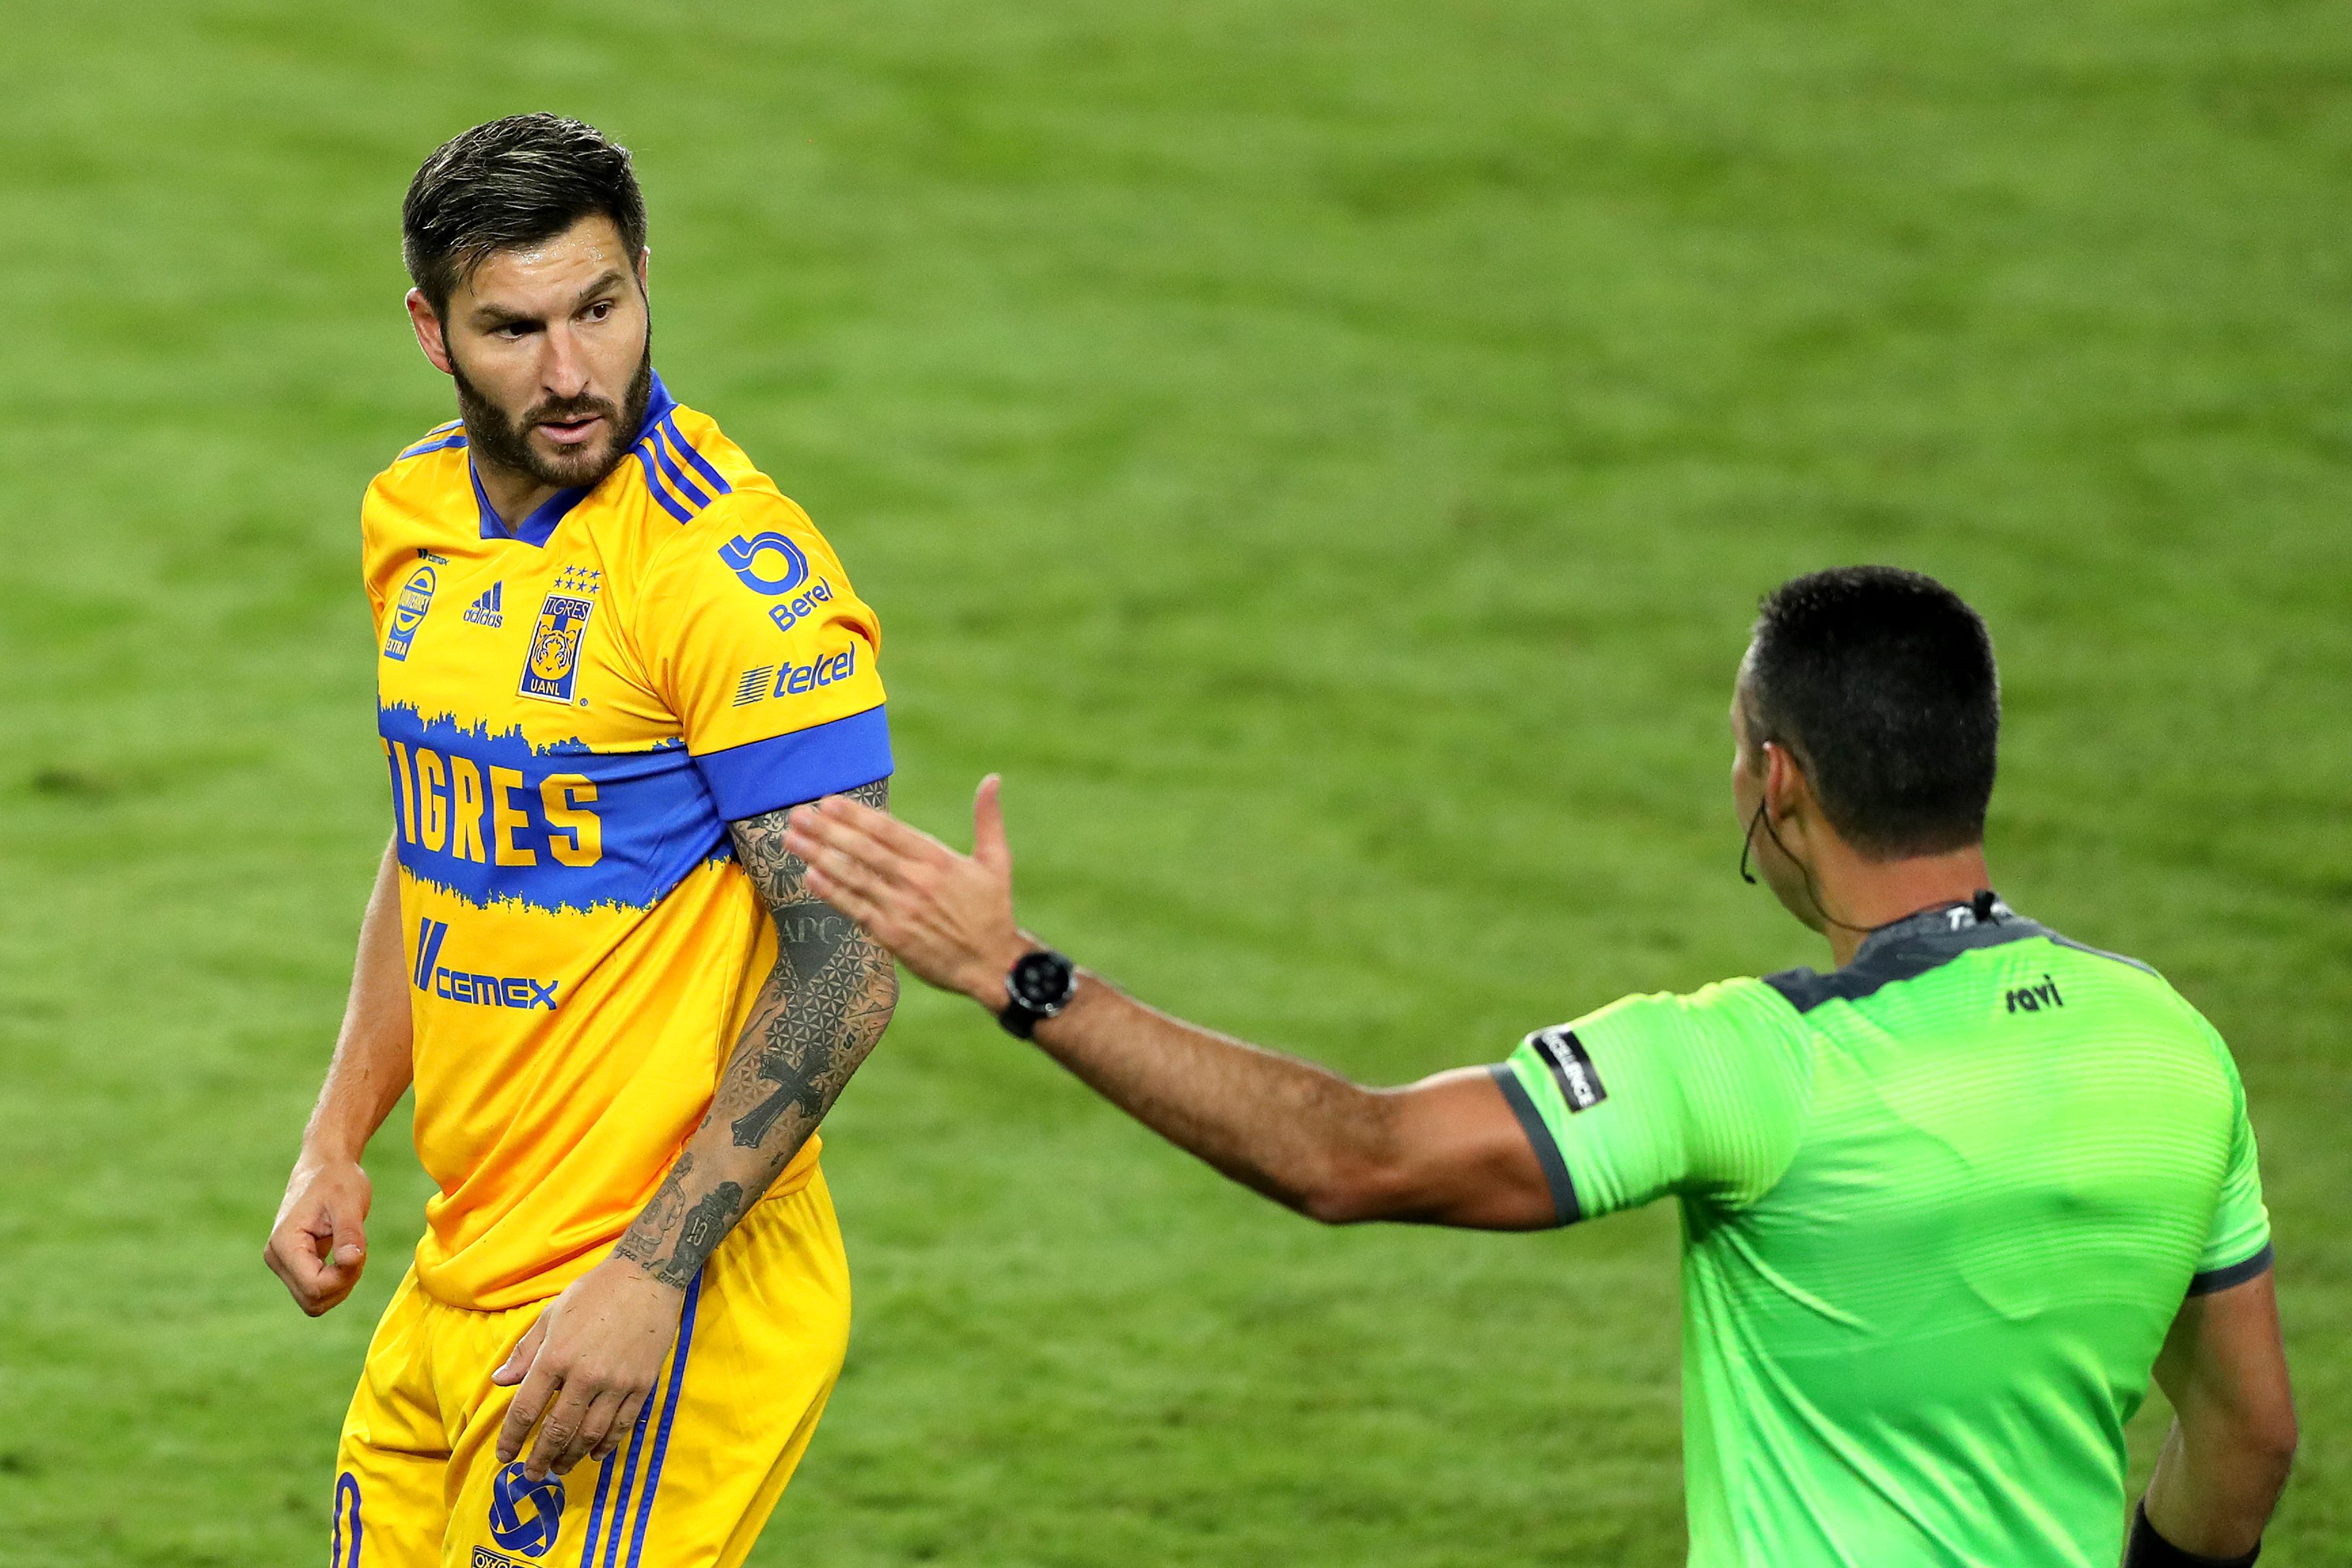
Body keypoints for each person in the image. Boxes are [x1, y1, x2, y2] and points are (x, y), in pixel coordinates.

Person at [783, 566, 2297, 1567]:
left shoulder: (1750, 1068)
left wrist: (1017, 976)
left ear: (1779, 784)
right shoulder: (2167, 1041)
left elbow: (1354, 1157)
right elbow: (2250, 1434)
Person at [263, 114, 900, 1568]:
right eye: (514, 327)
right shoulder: (414, 517)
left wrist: (650, 1275)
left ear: (645, 278)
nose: (569, 373)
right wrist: (336, 1139)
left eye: (600, 310)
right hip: (467, 1265)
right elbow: (436, 834)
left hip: (664, 1280)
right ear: (431, 330)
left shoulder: (730, 575)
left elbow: (847, 963)